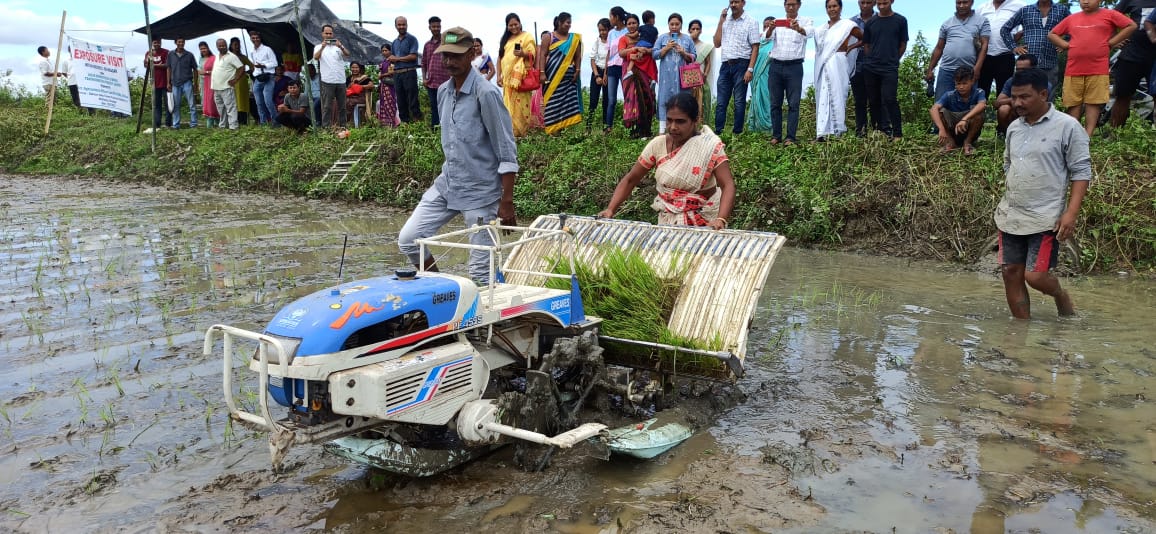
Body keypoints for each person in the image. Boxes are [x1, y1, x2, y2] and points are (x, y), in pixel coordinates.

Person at [397, 26, 520, 284]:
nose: (450, 62)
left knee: (480, 273)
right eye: (446, 56)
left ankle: (486, 322)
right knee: (408, 240)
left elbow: (506, 149)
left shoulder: (485, 94)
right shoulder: (443, 91)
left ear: (471, 53)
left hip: (481, 191)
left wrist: (506, 201)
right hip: (448, 184)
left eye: (456, 56)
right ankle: (442, 292)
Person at [996, 68, 1090, 319]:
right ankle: (1019, 335)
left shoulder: (1067, 126)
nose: (1017, 103)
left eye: (1024, 97)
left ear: (1043, 94)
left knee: (1035, 276)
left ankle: (1060, 295)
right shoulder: (1014, 127)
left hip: (1045, 215)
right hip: (1012, 213)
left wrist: (1070, 213)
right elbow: (1009, 164)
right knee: (1010, 273)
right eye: (1014, 97)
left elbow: (1081, 171)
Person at [598, 92, 735, 229]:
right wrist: (610, 209)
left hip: (705, 219)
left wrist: (720, 219)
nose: (673, 127)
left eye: (680, 121)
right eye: (669, 120)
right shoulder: (658, 145)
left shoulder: (709, 145)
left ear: (695, 120)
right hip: (668, 220)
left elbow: (727, 185)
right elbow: (631, 179)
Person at [1048, 0, 1136, 136]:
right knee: (1073, 103)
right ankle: (1073, 135)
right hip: (1073, 68)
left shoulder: (1110, 14)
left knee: (1093, 103)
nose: (1086, 2)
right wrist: (1065, 45)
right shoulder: (1072, 18)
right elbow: (1052, 34)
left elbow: (1131, 25)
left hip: (1098, 68)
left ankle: (1087, 136)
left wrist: (1112, 42)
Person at [768, 0, 815, 145]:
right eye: (788, 4)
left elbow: (809, 33)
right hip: (776, 65)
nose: (790, 7)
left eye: (794, 4)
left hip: (794, 67)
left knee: (793, 103)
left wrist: (798, 28)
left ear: (799, 5)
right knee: (775, 103)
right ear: (784, 6)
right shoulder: (777, 21)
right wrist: (770, 28)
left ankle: (790, 137)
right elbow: (767, 37)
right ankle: (776, 135)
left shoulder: (806, 21)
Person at [814, 0, 862, 141]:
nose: (832, 9)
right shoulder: (821, 29)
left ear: (840, 8)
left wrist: (851, 47)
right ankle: (822, 133)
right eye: (829, 7)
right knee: (823, 95)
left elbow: (864, 38)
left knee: (838, 94)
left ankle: (837, 131)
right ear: (826, 9)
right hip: (824, 64)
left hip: (839, 62)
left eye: (835, 6)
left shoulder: (848, 25)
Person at [713, 0, 763, 134]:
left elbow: (755, 47)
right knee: (721, 102)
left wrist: (750, 69)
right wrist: (720, 20)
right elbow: (717, 43)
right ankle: (718, 132)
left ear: (743, 3)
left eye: (736, 2)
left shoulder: (751, 21)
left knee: (739, 101)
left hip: (742, 64)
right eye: (731, 2)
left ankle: (737, 133)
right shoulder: (725, 21)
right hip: (725, 65)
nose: (733, 5)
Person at [926, 0, 991, 102]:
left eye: (965, 2)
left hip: (968, 71)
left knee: (969, 107)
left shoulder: (982, 21)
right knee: (941, 106)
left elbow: (985, 45)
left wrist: (977, 68)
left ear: (972, 2)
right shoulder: (947, 23)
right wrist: (930, 69)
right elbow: (939, 47)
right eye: (958, 3)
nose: (961, 6)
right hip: (946, 70)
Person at [861, 0, 908, 138]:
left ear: (891, 1)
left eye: (885, 3)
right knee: (874, 100)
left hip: (889, 68)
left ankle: (898, 134)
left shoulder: (900, 20)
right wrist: (871, 59)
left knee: (889, 99)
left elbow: (903, 44)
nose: (882, 6)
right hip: (871, 67)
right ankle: (879, 131)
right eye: (879, 3)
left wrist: (893, 59)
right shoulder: (870, 22)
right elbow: (866, 44)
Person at [1107, 0, 1156, 128]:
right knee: (1122, 96)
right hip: (1132, 55)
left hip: (1154, 59)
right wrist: (1115, 39)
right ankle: (1115, 136)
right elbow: (1109, 17)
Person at [1000, 0, 1070, 88]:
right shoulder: (1025, 10)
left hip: (1050, 62)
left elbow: (1074, 28)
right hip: (1028, 64)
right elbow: (1004, 29)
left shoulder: (1062, 10)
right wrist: (1014, 48)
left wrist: (1065, 44)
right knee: (1025, 94)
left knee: (1048, 96)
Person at [540, 12, 585, 134]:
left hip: (568, 78)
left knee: (568, 102)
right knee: (552, 102)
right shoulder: (548, 37)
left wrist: (577, 71)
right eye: (567, 22)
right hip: (551, 75)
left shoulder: (574, 39)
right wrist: (542, 72)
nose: (569, 25)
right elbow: (543, 55)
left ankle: (566, 130)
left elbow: (577, 57)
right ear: (559, 22)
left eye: (570, 23)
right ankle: (554, 130)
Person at [496, 12, 537, 137]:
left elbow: (533, 54)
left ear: (520, 24)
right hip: (508, 80)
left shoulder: (527, 36)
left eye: (515, 24)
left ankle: (522, 134)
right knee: (508, 108)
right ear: (507, 26)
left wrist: (522, 54)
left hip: (520, 79)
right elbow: (500, 58)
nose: (513, 27)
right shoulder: (505, 40)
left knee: (521, 106)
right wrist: (498, 76)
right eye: (510, 25)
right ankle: (511, 134)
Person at [654, 14, 696, 134]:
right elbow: (654, 55)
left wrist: (684, 53)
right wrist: (666, 48)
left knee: (683, 101)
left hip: (682, 77)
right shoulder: (662, 38)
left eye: (677, 24)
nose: (674, 26)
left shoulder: (687, 39)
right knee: (664, 100)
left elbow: (693, 56)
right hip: (666, 77)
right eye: (671, 24)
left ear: (681, 25)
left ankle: (685, 128)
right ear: (668, 25)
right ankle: (662, 130)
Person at [976, 0, 1025, 102]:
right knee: (979, 96)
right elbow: (974, 31)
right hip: (984, 57)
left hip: (1005, 55)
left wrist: (1014, 42)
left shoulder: (1019, 5)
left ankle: (1004, 117)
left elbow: (1027, 26)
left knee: (1004, 97)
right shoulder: (982, 8)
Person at [929, 66, 986, 154]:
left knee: (979, 113)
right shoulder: (949, 95)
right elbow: (933, 109)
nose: (961, 87)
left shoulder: (978, 92)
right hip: (952, 131)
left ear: (972, 81)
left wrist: (964, 119)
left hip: (968, 129)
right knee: (940, 112)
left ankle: (967, 143)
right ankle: (950, 142)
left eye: (964, 83)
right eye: (958, 84)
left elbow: (982, 105)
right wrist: (941, 129)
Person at [620, 13, 658, 139]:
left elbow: (655, 49)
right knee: (633, 98)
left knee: (648, 97)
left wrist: (645, 50)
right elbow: (621, 53)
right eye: (629, 23)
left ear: (638, 24)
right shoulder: (624, 39)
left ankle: (646, 130)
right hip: (630, 71)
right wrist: (635, 50)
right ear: (626, 25)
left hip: (646, 69)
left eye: (634, 23)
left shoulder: (645, 37)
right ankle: (634, 130)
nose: (632, 25)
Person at [995, 53, 1051, 134]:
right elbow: (997, 103)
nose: (1019, 73)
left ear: (1034, 69)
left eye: (1024, 70)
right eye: (1017, 69)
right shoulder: (1011, 81)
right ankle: (1008, 134)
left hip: (1035, 114)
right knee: (1004, 109)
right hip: (1017, 112)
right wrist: (1017, 98)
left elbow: (1044, 106)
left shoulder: (1044, 84)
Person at [313, 24, 350, 128]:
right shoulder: (318, 47)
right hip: (327, 80)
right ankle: (326, 128)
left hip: (340, 79)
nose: (329, 35)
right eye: (326, 33)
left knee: (342, 106)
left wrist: (341, 46)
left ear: (333, 34)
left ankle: (343, 126)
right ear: (322, 34)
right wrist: (323, 47)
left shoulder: (337, 46)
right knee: (327, 106)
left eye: (330, 33)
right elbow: (316, 57)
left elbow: (347, 54)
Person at [849, 0, 875, 136]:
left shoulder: (879, 20)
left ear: (874, 3)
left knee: (876, 99)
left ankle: (879, 130)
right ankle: (861, 131)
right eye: (862, 2)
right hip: (856, 63)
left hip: (875, 63)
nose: (865, 5)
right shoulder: (851, 22)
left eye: (868, 2)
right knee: (859, 99)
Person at [390, 16, 423, 123]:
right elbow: (393, 59)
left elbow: (413, 56)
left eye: (403, 24)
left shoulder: (412, 39)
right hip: (397, 74)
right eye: (399, 25)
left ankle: (417, 124)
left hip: (409, 72)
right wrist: (393, 60)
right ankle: (405, 124)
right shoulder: (394, 42)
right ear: (395, 26)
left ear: (407, 25)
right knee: (400, 101)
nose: (402, 26)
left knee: (413, 100)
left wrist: (397, 59)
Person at [747, 18, 776, 132]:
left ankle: (768, 128)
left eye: (770, 26)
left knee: (767, 99)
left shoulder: (776, 43)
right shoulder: (757, 42)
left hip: (769, 76)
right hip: (756, 75)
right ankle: (755, 127)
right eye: (765, 26)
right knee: (756, 97)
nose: (767, 28)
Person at [210, 38, 245, 130]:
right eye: (220, 46)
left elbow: (241, 68)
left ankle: (234, 126)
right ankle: (223, 125)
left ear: (226, 45)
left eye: (224, 45)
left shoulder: (232, 56)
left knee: (231, 108)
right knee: (221, 109)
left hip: (227, 87)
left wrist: (235, 80)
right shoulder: (217, 56)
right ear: (217, 47)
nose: (222, 47)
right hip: (216, 87)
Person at [604, 7, 630, 132]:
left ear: (617, 17)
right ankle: (608, 127)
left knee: (627, 97)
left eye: (611, 16)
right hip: (612, 67)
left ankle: (628, 125)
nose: (610, 19)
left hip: (624, 66)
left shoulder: (627, 31)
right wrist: (605, 72)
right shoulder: (610, 33)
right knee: (611, 99)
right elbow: (608, 53)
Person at [423, 16, 451, 128]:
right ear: (429, 27)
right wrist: (424, 78)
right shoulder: (427, 45)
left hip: (446, 81)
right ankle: (435, 129)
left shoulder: (447, 40)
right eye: (433, 26)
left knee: (447, 106)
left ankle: (447, 129)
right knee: (434, 106)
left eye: (438, 26)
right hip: (432, 82)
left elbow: (457, 38)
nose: (436, 28)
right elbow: (424, 63)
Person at [167, 38, 199, 129]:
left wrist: (195, 83)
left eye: (182, 42)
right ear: (175, 43)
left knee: (192, 104)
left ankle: (194, 124)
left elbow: (195, 69)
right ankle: (176, 124)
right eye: (179, 42)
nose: (181, 43)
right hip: (175, 83)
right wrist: (168, 82)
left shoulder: (189, 55)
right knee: (176, 105)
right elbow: (168, 68)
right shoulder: (171, 54)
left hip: (187, 82)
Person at [248, 31, 279, 126]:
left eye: (257, 37)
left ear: (260, 38)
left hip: (268, 76)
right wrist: (253, 72)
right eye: (253, 38)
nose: (255, 39)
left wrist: (263, 65)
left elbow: (275, 63)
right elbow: (255, 66)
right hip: (258, 78)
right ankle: (263, 122)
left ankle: (276, 122)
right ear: (251, 39)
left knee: (268, 100)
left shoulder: (267, 49)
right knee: (259, 102)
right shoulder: (252, 52)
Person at [689, 19, 715, 124]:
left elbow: (708, 63)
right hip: (688, 80)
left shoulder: (705, 46)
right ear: (689, 30)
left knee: (701, 103)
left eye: (697, 29)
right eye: (693, 28)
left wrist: (705, 74)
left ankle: (701, 125)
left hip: (700, 80)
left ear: (701, 31)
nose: (695, 30)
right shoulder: (686, 45)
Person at [144, 39, 171, 129]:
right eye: (155, 42)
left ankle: (168, 123)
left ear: (161, 43)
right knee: (156, 104)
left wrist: (154, 65)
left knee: (168, 103)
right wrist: (146, 62)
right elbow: (146, 65)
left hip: (165, 82)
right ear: (152, 43)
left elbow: (167, 65)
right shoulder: (148, 53)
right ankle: (157, 123)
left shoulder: (166, 52)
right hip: (154, 83)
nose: (157, 44)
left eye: (158, 42)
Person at [588, 19, 611, 124]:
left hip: (608, 73)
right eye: (600, 30)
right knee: (593, 101)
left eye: (604, 30)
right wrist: (597, 76)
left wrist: (605, 75)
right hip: (597, 72)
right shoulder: (597, 42)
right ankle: (588, 126)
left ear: (609, 29)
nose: (602, 32)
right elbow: (592, 59)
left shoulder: (612, 42)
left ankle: (605, 127)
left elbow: (609, 58)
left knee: (606, 101)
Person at [228, 38, 254, 125]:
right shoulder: (228, 57)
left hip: (242, 82)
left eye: (238, 44)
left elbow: (252, 66)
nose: (237, 46)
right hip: (230, 82)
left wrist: (247, 73)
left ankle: (242, 122)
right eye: (235, 44)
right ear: (231, 45)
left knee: (242, 101)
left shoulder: (243, 57)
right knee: (232, 101)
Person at [378, 43, 401, 127]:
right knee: (383, 103)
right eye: (383, 51)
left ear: (390, 51)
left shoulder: (391, 60)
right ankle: (386, 124)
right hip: (383, 86)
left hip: (390, 86)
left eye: (386, 50)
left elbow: (392, 72)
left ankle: (393, 122)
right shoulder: (384, 61)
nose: (384, 52)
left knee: (391, 103)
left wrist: (382, 75)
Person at [198, 41, 219, 127]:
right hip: (203, 83)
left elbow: (217, 70)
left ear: (208, 48)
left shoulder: (214, 58)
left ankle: (216, 121)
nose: (203, 50)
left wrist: (206, 72)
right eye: (201, 49)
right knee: (205, 102)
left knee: (212, 101)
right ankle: (210, 121)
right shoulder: (200, 59)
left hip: (212, 82)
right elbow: (199, 71)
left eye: (204, 48)